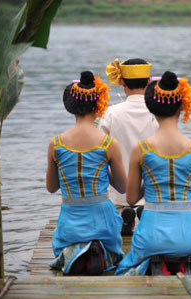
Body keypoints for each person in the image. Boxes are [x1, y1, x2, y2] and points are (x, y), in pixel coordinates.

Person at [115, 71, 191, 276]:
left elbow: (131, 198)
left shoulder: (141, 149)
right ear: (182, 106)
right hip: (189, 239)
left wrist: (153, 184)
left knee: (123, 267)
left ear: (152, 107)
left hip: (151, 238)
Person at [46, 71, 127, 275]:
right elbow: (122, 186)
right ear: (98, 104)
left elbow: (52, 187)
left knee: (63, 246)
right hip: (103, 223)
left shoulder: (56, 144)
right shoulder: (108, 143)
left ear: (71, 105)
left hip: (70, 225)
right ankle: (97, 250)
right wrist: (102, 170)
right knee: (114, 248)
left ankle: (75, 252)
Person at [100, 58, 158, 235]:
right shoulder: (157, 113)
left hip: (119, 192)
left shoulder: (111, 113)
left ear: (122, 82)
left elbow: (98, 150)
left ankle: (124, 214)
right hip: (151, 192)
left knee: (117, 205)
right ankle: (143, 211)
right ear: (148, 82)